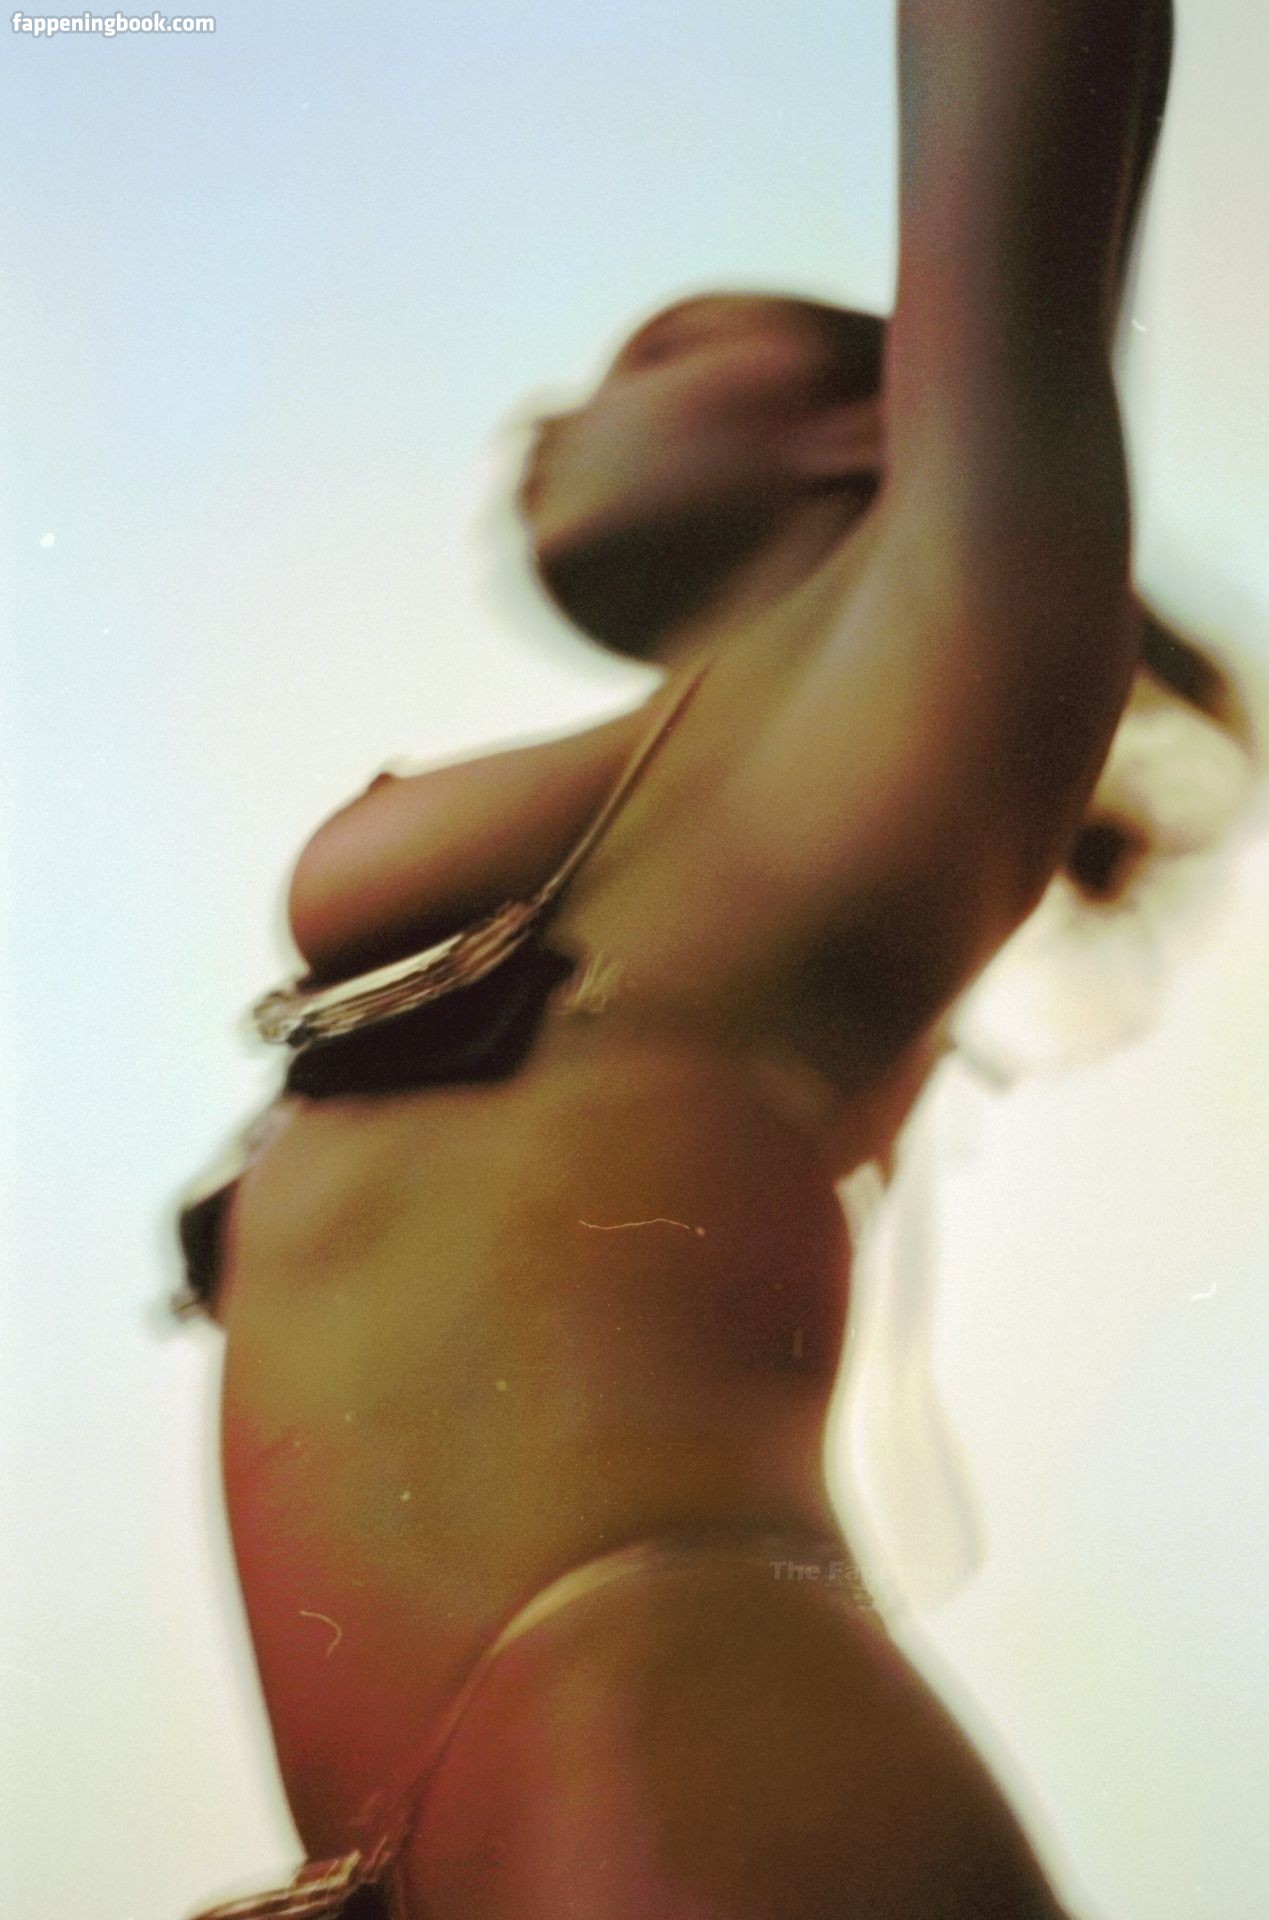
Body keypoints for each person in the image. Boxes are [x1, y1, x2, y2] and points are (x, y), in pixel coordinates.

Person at [179, 2, 1193, 1914]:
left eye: (658, 350)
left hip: (660, 1727)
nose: (542, 418)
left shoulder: (926, 649)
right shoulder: (714, 754)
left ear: (868, 419)